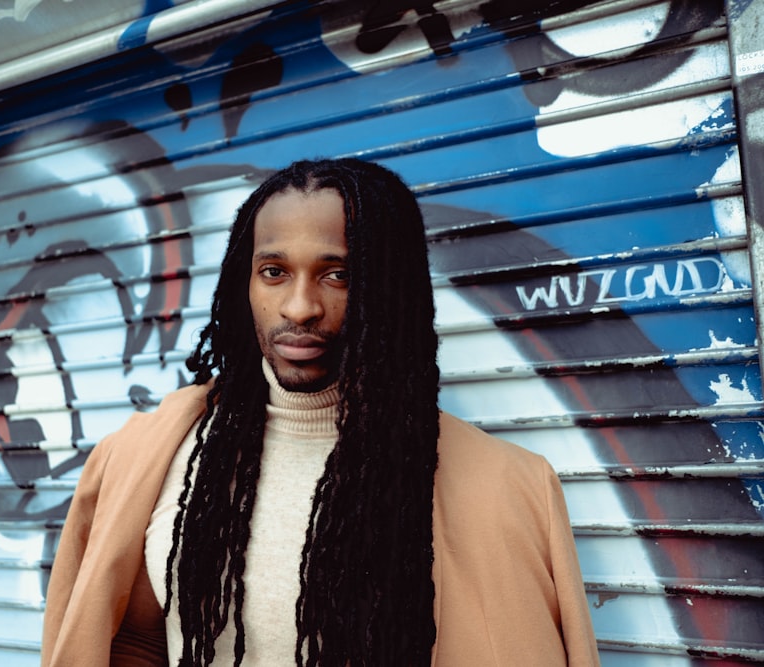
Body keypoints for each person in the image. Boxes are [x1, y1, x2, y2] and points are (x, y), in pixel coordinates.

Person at [41, 158, 600, 666]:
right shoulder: (156, 458)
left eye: (338, 275)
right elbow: (136, 642)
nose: (300, 307)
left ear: (388, 288)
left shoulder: (508, 489)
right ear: (247, 281)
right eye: (274, 271)